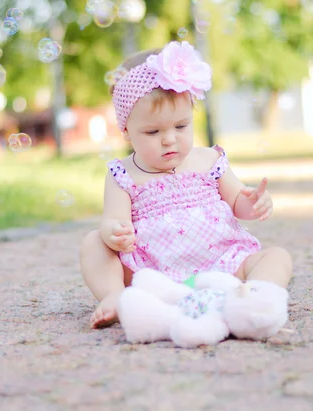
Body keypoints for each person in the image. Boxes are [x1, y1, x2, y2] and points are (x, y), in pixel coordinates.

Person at [79, 41, 292, 329]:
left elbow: (237, 201)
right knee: (94, 243)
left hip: (223, 266)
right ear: (127, 130)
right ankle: (117, 296)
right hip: (153, 275)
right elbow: (112, 220)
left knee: (277, 257)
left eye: (181, 126)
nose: (169, 139)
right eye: (153, 131)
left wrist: (252, 203)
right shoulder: (123, 174)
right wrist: (114, 232)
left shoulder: (208, 159)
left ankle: (254, 298)